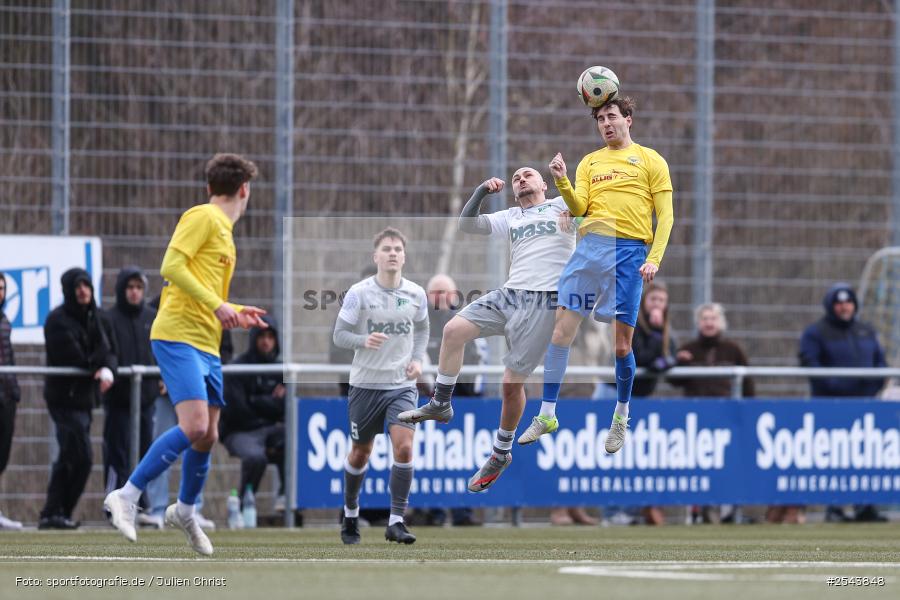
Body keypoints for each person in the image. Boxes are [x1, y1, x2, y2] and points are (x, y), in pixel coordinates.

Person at [104, 153, 267, 555]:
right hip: (178, 335)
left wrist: (233, 311)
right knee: (194, 426)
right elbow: (171, 267)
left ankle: (186, 511)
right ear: (244, 189)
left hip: (207, 343)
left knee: (208, 435)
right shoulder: (203, 217)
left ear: (213, 185)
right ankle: (127, 494)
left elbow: (202, 285)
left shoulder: (225, 233)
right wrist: (217, 304)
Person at [398, 166, 576, 493]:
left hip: (544, 302)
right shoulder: (511, 216)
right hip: (509, 294)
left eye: (528, 175)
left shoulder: (564, 207)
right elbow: (467, 224)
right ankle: (440, 402)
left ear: (544, 184)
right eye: (516, 178)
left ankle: (501, 451)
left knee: (510, 384)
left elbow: (598, 222)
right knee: (453, 331)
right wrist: (481, 191)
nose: (521, 179)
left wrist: (576, 210)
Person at [525, 96, 674, 455]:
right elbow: (579, 208)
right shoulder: (591, 162)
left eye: (612, 117)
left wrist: (654, 258)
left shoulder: (651, 160)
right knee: (561, 332)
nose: (606, 124)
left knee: (621, 345)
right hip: (591, 250)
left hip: (630, 254)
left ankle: (621, 415)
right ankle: (547, 413)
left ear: (628, 120)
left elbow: (666, 216)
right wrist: (561, 181)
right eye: (600, 119)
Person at [333, 228, 429, 545]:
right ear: (375, 256)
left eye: (397, 249)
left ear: (404, 256)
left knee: (404, 447)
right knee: (361, 452)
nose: (392, 253)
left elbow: (424, 330)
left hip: (401, 386)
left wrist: (418, 361)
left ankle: (396, 520)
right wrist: (363, 339)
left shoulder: (416, 294)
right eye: (386, 249)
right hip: (365, 386)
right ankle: (349, 513)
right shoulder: (359, 293)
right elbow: (339, 335)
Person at [799, 283, 887, 523]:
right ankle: (835, 507)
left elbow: (880, 364)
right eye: (838, 303)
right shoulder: (817, 332)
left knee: (865, 457)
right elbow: (810, 364)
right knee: (834, 457)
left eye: (848, 302)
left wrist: (871, 385)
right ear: (831, 306)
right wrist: (839, 385)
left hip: (865, 405)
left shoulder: (866, 331)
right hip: (831, 406)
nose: (844, 307)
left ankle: (865, 506)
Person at [41, 268, 118, 529]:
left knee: (70, 457)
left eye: (87, 285)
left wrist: (106, 366)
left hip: (84, 400)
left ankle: (55, 513)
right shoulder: (57, 321)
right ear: (69, 291)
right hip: (64, 400)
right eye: (78, 286)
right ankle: (56, 511)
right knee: (81, 457)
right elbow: (75, 358)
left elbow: (110, 351)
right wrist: (99, 362)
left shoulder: (96, 317)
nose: (83, 291)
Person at [673, 302, 753, 524]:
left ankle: (728, 511)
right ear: (698, 323)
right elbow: (674, 381)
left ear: (721, 322)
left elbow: (748, 384)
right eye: (705, 318)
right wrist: (679, 363)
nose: (709, 322)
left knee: (727, 466)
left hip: (726, 417)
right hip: (696, 418)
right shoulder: (688, 349)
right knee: (696, 467)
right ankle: (696, 511)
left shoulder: (733, 350)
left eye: (713, 318)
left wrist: (747, 412)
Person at [420, 274, 483, 526]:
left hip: (462, 401)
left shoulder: (466, 321)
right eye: (436, 292)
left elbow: (476, 359)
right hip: (430, 399)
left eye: (446, 292)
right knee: (432, 457)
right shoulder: (420, 323)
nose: (441, 298)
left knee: (464, 457)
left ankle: (462, 512)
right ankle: (433, 512)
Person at [101, 267, 157, 517]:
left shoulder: (152, 318)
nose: (134, 293)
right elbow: (106, 351)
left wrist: (163, 375)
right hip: (120, 400)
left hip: (146, 398)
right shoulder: (109, 318)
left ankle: (140, 503)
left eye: (138, 288)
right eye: (130, 287)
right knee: (118, 454)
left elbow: (161, 350)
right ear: (122, 290)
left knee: (146, 452)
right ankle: (114, 504)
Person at [220, 316, 285, 508]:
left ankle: (286, 497)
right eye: (261, 336)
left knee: (294, 443)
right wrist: (270, 404)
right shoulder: (238, 368)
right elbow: (238, 410)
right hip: (239, 431)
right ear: (254, 338)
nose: (266, 341)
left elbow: (286, 408)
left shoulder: (282, 369)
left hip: (269, 428)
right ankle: (243, 503)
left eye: (270, 337)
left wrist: (255, 400)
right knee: (256, 457)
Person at [0, 273, 22, 530]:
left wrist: (14, 390)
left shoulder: (5, 319)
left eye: (3, 288)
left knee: (2, 456)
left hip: (6, 397)